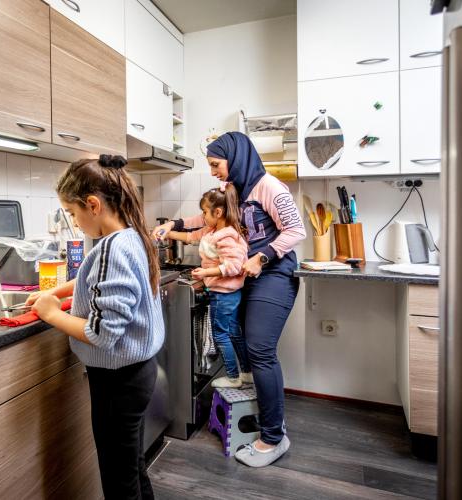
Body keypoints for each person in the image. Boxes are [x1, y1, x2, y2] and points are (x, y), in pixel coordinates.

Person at [153, 131, 305, 467]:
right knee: (250, 346)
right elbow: (205, 219)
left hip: (274, 274)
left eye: (215, 164)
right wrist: (171, 225)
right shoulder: (230, 189)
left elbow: (296, 230)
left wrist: (262, 256)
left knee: (261, 349)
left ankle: (273, 439)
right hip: (246, 275)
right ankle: (265, 415)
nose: (213, 171)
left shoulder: (269, 187)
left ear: (234, 158)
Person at [28, 154, 163, 499]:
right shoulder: (132, 237)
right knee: (131, 468)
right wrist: (53, 293)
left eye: (73, 214)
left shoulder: (110, 250)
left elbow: (102, 333)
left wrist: (51, 313)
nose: (75, 222)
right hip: (137, 374)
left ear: (93, 205)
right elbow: (94, 282)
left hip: (118, 382)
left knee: (118, 481)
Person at [162, 183, 251, 388]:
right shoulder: (212, 230)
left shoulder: (227, 235)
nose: (202, 217)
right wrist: (167, 232)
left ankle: (233, 377)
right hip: (229, 293)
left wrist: (205, 272)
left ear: (218, 212)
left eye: (205, 212)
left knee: (221, 334)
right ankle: (246, 374)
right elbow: (190, 236)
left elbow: (235, 266)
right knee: (234, 332)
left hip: (223, 294)